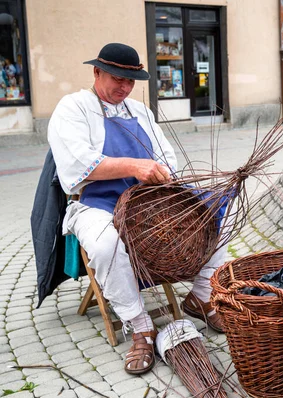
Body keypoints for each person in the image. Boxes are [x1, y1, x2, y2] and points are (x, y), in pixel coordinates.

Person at [47, 43, 227, 375]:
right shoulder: (74, 108)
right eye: (117, 78)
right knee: (105, 243)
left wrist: (164, 183)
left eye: (131, 82)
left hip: (147, 199)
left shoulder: (139, 111)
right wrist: (134, 166)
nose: (125, 88)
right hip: (97, 202)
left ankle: (200, 296)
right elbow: (76, 164)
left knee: (214, 209)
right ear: (96, 72)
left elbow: (166, 158)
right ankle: (141, 326)